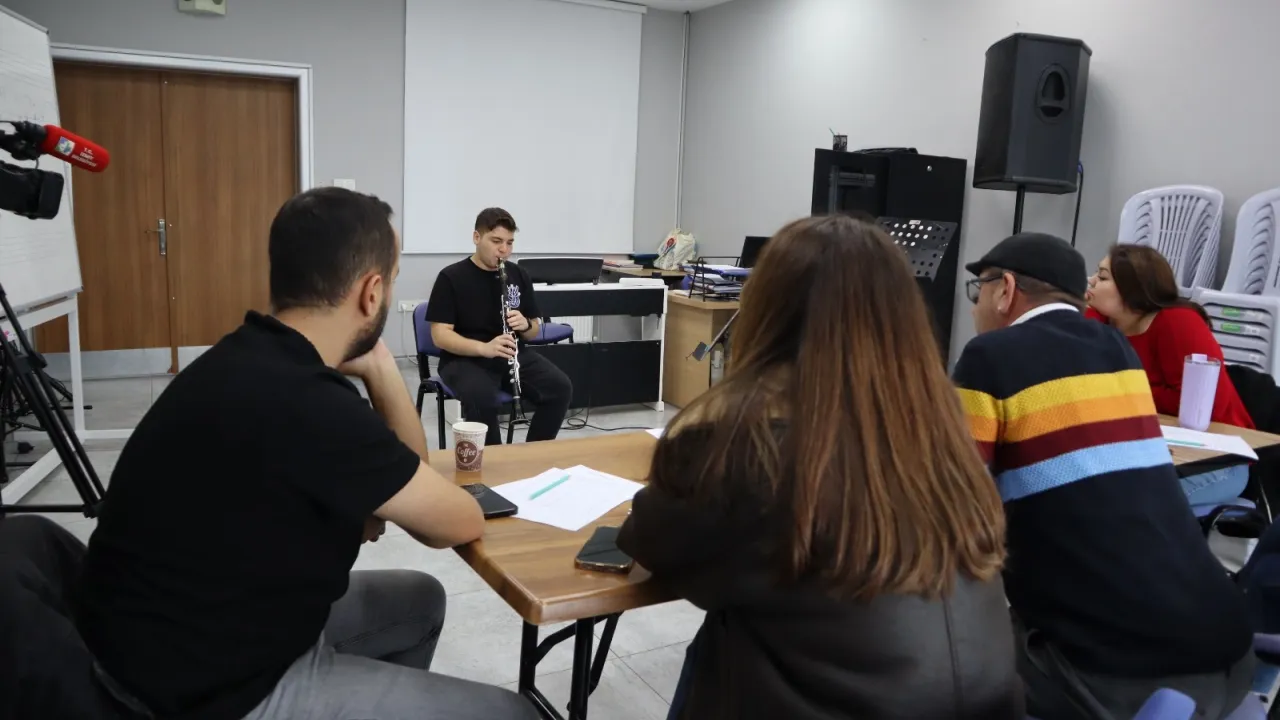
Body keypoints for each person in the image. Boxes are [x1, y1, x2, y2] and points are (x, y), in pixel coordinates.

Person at [76, 188, 537, 720]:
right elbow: (455, 520)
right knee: (514, 713)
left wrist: (375, 374)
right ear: (372, 293)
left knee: (419, 601)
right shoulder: (311, 403)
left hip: (145, 639)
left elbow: (401, 487)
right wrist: (383, 366)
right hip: (202, 688)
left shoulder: (242, 356)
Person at [618, 215, 1024, 720]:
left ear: (765, 312)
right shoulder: (948, 445)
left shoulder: (745, 449)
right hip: (985, 704)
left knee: (720, 634)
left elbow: (650, 540)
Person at [954, 232, 1254, 720]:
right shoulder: (1116, 348)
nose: (975, 307)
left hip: (1113, 675)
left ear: (1005, 289)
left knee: (947, 662)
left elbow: (951, 496)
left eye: (979, 290)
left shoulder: (990, 356)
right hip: (1229, 657)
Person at [1085, 244, 1254, 505]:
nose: (1091, 281)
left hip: (1214, 458)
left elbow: (1199, 403)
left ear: (1132, 288)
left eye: (1103, 277)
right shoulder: (1096, 321)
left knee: (1123, 506)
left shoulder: (1177, 321)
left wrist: (1118, 390)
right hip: (1141, 451)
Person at [426, 208, 572, 445]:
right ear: (476, 237)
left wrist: (525, 325)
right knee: (481, 397)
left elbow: (534, 330)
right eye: (496, 241)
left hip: (510, 354)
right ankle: (493, 462)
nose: (504, 250)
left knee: (560, 388)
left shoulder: (518, 274)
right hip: (463, 360)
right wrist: (484, 348)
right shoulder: (451, 277)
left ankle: (534, 455)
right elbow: (440, 335)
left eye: (509, 243)